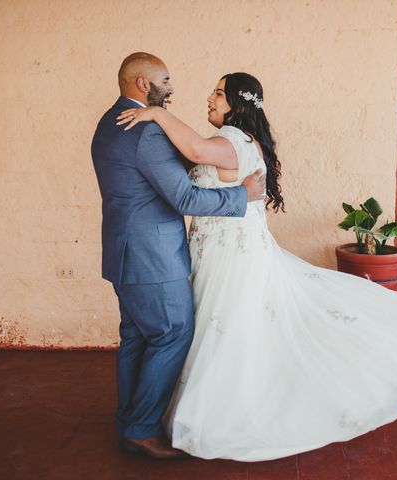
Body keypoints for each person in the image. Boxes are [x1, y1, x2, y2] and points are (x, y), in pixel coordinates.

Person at [116, 71, 397, 462]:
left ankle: (226, 419)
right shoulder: (239, 139)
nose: (210, 98)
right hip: (216, 249)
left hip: (231, 255)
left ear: (238, 104)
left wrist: (156, 113)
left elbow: (200, 152)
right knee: (220, 330)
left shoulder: (232, 140)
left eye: (219, 94)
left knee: (229, 332)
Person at [91, 54, 266, 459]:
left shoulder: (108, 123)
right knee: (171, 334)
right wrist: (244, 195)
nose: (171, 88)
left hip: (122, 250)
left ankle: (128, 420)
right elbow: (185, 197)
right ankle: (141, 429)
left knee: (136, 338)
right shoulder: (146, 131)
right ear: (142, 85)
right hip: (153, 257)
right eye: (165, 81)